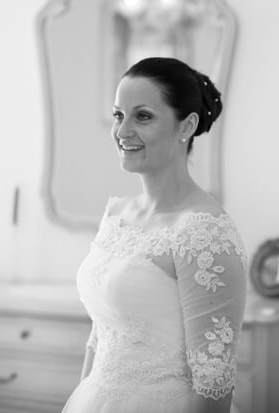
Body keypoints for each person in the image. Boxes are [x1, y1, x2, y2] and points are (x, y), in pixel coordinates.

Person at [62, 57, 247, 413]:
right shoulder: (116, 214)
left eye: (142, 116)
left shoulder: (204, 232)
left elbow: (213, 386)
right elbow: (100, 336)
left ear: (186, 126)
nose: (122, 130)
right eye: (118, 115)